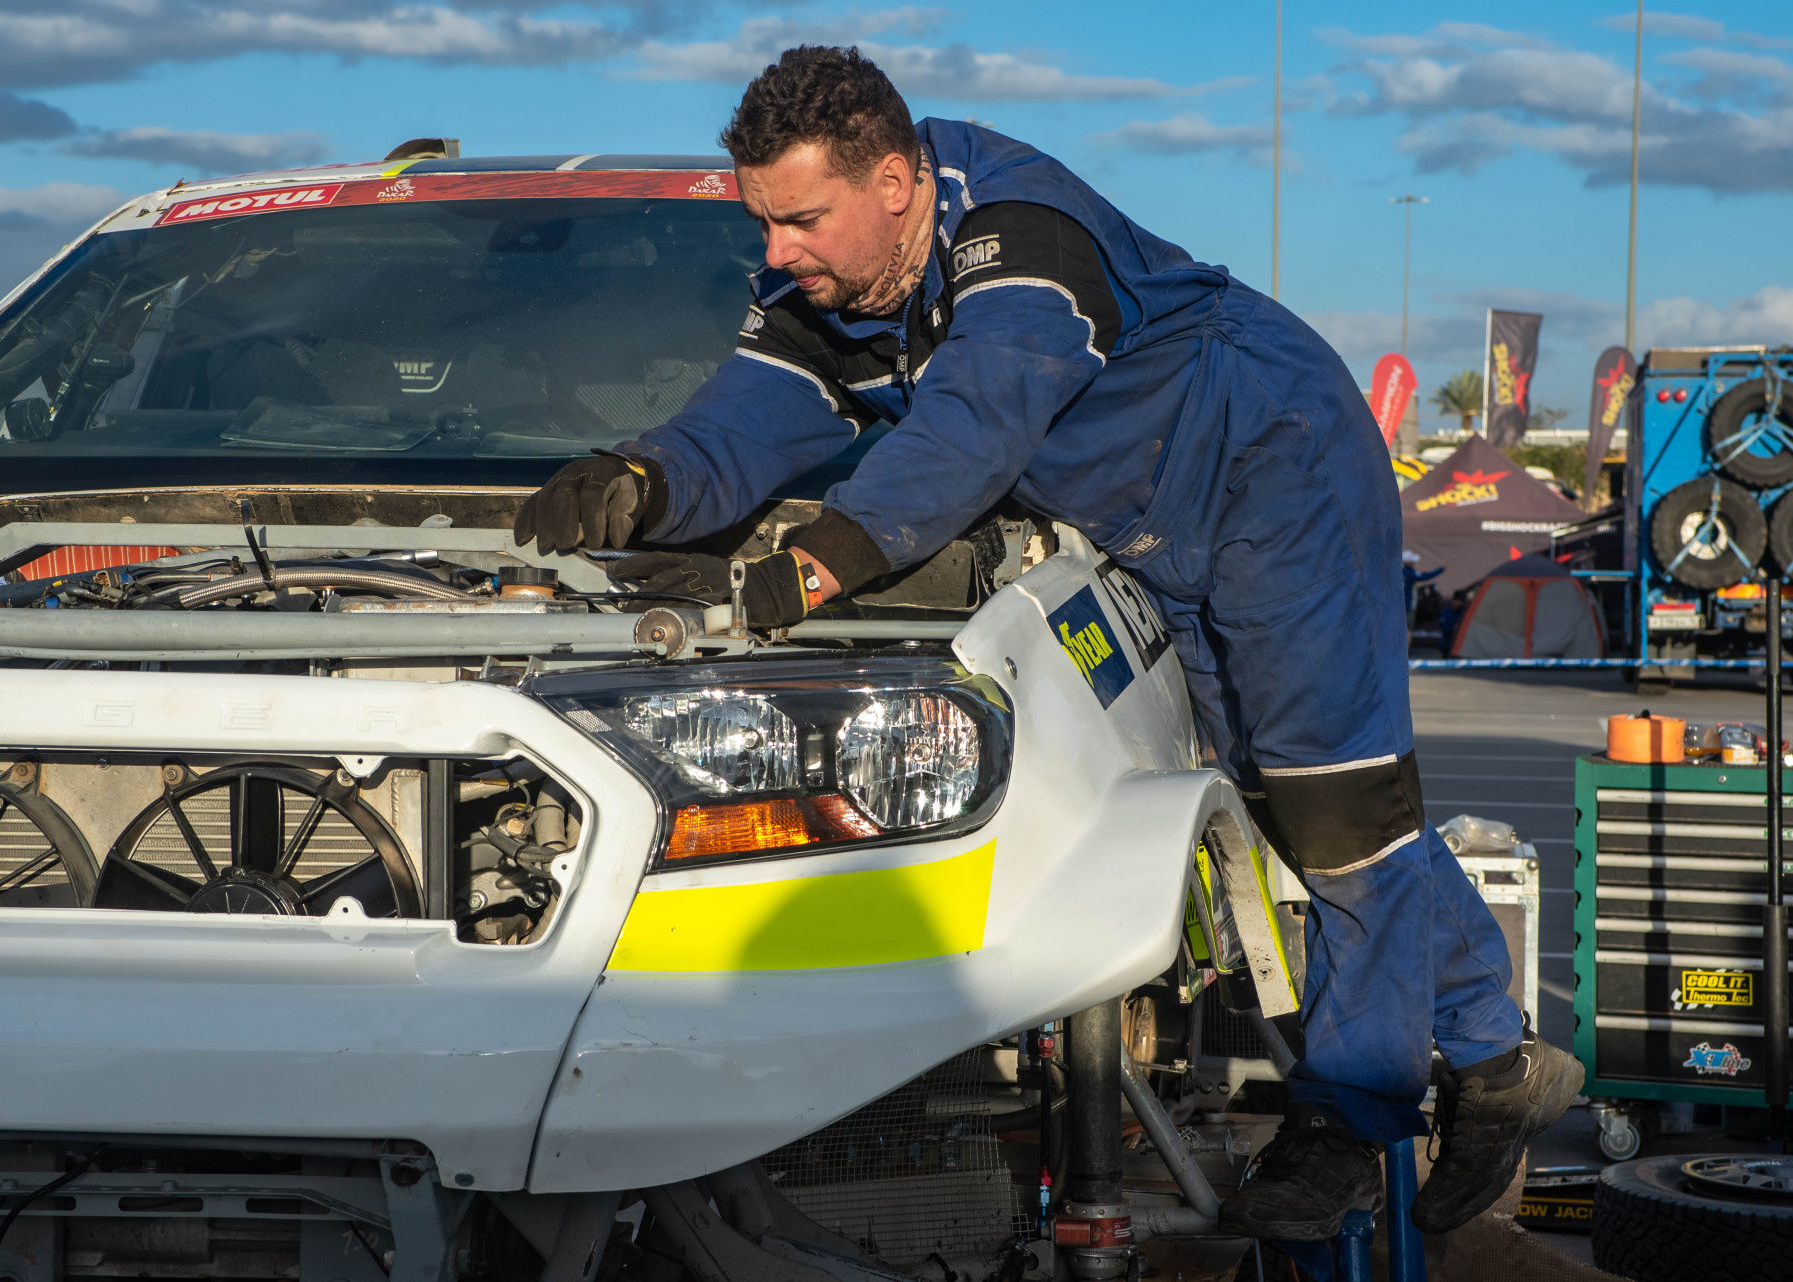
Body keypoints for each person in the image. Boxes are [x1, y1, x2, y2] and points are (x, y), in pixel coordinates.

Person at [514, 46, 1581, 1240]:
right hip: (1155, 528)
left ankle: (1354, 1109)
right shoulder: (835, 291)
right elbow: (746, 426)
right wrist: (640, 482)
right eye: (765, 223)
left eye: (802, 219)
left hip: (1278, 468)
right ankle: (1496, 1058)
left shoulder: (1022, 244)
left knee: (1338, 805)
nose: (777, 253)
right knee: (1288, 809)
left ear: (899, 184)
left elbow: (973, 426)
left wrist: (811, 567)